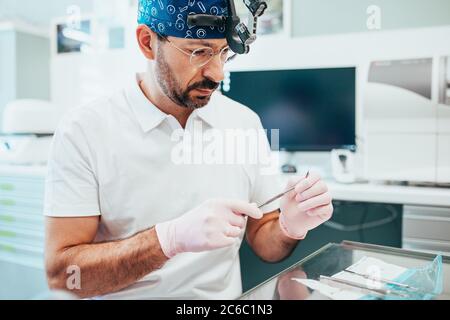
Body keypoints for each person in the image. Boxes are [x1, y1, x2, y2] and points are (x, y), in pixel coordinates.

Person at [44, 0, 333, 299]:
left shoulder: (244, 123)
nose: (218, 74)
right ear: (147, 42)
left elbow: (264, 240)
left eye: (224, 53)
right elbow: (64, 277)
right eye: (200, 52)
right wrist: (167, 240)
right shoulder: (84, 131)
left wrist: (289, 225)